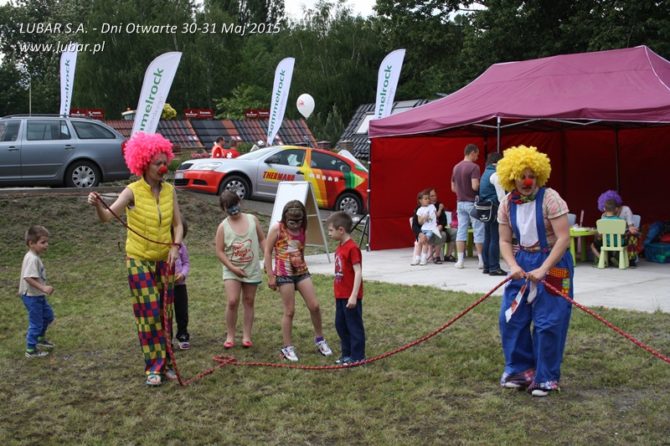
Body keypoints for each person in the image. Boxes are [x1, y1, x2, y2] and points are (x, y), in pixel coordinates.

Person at [88, 132, 183, 387]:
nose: (163, 168)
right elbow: (107, 217)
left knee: (165, 313)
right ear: (143, 163)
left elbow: (178, 224)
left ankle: (167, 363)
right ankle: (153, 367)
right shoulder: (132, 191)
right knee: (149, 313)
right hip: (139, 259)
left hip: (164, 260)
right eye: (157, 163)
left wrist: (175, 246)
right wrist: (97, 206)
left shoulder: (169, 191)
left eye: (165, 162)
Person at [496, 145, 573, 397]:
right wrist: (513, 265)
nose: (527, 181)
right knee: (511, 317)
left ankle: (546, 377)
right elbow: (504, 240)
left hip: (552, 262)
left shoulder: (551, 198)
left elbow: (563, 238)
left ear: (539, 176)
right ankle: (521, 371)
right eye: (522, 176)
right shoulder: (507, 203)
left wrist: (544, 268)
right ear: (512, 178)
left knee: (548, 321)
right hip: (522, 261)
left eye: (531, 176)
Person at [264, 200, 333, 361]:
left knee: (314, 306)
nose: (295, 225)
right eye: (291, 222)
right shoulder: (277, 229)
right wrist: (271, 275)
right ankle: (287, 347)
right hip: (284, 274)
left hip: (301, 272)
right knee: (289, 311)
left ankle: (320, 339)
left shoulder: (303, 228)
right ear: (285, 218)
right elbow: (267, 252)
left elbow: (301, 249)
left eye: (298, 221)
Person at [215, 191, 266, 349]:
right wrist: (233, 268)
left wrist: (268, 258)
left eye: (235, 204)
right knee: (232, 301)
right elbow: (219, 251)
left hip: (251, 269)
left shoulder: (252, 219)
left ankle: (246, 336)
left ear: (240, 202)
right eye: (229, 207)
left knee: (249, 301)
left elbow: (262, 239)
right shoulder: (223, 227)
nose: (234, 209)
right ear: (223, 209)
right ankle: (230, 336)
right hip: (232, 270)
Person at [326, 211, 366, 364]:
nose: (329, 233)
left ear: (341, 230)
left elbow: (358, 272)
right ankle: (347, 354)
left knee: (354, 326)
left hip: (350, 296)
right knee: (341, 325)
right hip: (340, 295)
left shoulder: (352, 248)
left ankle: (358, 357)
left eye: (331, 230)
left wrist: (354, 295)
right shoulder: (340, 247)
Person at [19, 225, 55, 358]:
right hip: (32, 297)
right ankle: (31, 350)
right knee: (36, 323)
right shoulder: (32, 259)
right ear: (31, 243)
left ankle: (40, 338)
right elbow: (28, 277)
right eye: (43, 242)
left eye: (47, 242)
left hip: (37, 296)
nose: (46, 245)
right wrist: (43, 288)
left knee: (48, 316)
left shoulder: (34, 256)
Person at [451, 143, 485, 269]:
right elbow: (475, 186)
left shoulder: (456, 167)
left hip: (460, 202)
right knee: (478, 230)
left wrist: (462, 192)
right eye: (477, 154)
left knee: (461, 230)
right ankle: (481, 261)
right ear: (472, 153)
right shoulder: (474, 167)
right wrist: (480, 186)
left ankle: (460, 261)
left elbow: (453, 188)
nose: (477, 157)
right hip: (472, 203)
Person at [479, 152, 507, 276]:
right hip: (495, 209)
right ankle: (494, 267)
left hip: (485, 210)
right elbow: (502, 197)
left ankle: (487, 266)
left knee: (488, 238)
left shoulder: (485, 173)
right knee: (495, 238)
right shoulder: (496, 174)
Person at [595, 190, 639, 266]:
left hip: (623, 236)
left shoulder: (626, 210)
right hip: (610, 237)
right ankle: (609, 258)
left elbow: (630, 226)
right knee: (597, 239)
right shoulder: (604, 215)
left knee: (633, 236)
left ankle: (631, 259)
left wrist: (631, 228)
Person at [590, 198, 626, 265]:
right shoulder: (621, 221)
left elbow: (600, 235)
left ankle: (603, 259)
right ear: (616, 209)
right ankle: (615, 258)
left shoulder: (601, 221)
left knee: (593, 245)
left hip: (606, 243)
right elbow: (623, 233)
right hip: (620, 243)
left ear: (604, 209)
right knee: (626, 241)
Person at [173, 218, 191, 350]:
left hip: (180, 285)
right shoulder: (161, 246)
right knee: (165, 313)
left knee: (182, 312)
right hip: (165, 286)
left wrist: (183, 274)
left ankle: (183, 334)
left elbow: (186, 263)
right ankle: (166, 337)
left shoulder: (182, 247)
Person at [413, 189, 441, 265]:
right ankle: (417, 258)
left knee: (425, 242)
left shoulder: (432, 206)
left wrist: (440, 209)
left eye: (428, 198)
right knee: (419, 242)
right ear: (420, 200)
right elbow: (419, 222)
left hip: (430, 229)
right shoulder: (419, 210)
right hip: (423, 229)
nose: (428, 200)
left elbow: (437, 215)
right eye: (425, 199)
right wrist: (424, 218)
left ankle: (423, 259)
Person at [429, 188, 449, 264]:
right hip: (428, 229)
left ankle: (448, 255)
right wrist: (440, 209)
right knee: (441, 234)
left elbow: (444, 220)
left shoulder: (439, 205)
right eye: (432, 196)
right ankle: (436, 256)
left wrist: (441, 225)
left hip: (439, 227)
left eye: (435, 195)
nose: (434, 197)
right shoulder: (424, 207)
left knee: (454, 232)